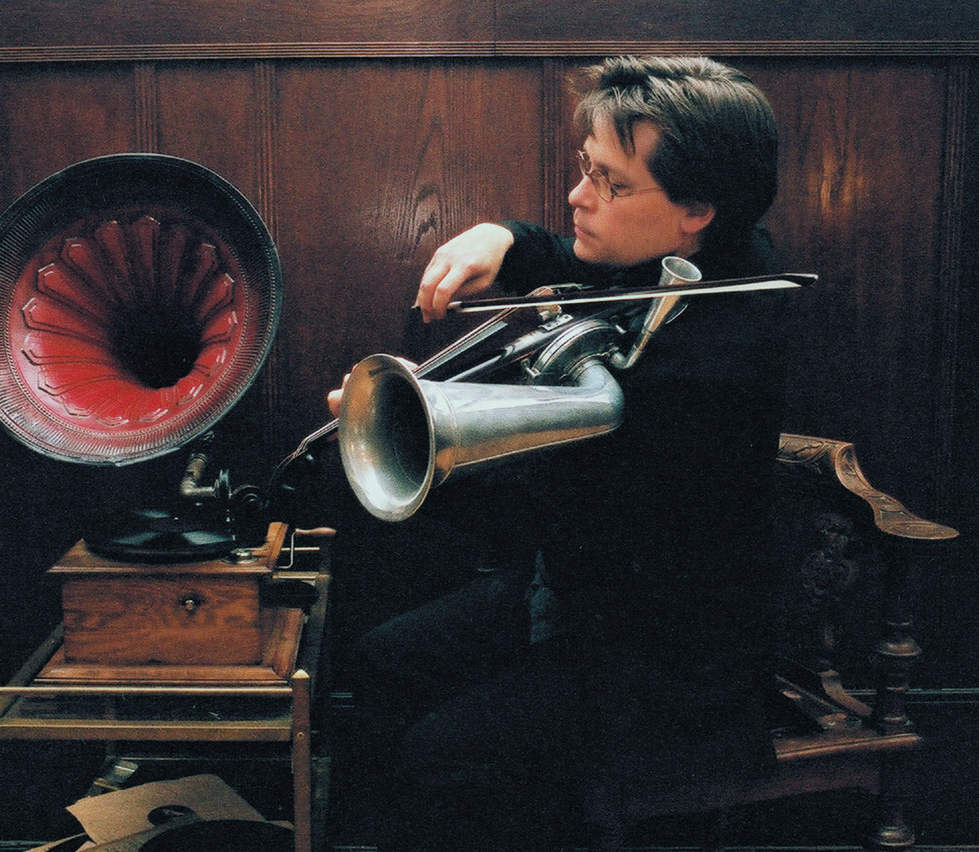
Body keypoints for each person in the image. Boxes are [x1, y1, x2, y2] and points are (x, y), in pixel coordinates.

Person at [328, 55, 791, 851]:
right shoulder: (687, 257)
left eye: (611, 183)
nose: (580, 197)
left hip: (663, 666)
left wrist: (419, 440)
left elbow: (557, 503)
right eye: (586, 169)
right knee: (377, 660)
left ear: (698, 210)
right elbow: (568, 255)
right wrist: (500, 237)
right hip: (577, 600)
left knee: (446, 755)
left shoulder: (721, 362)